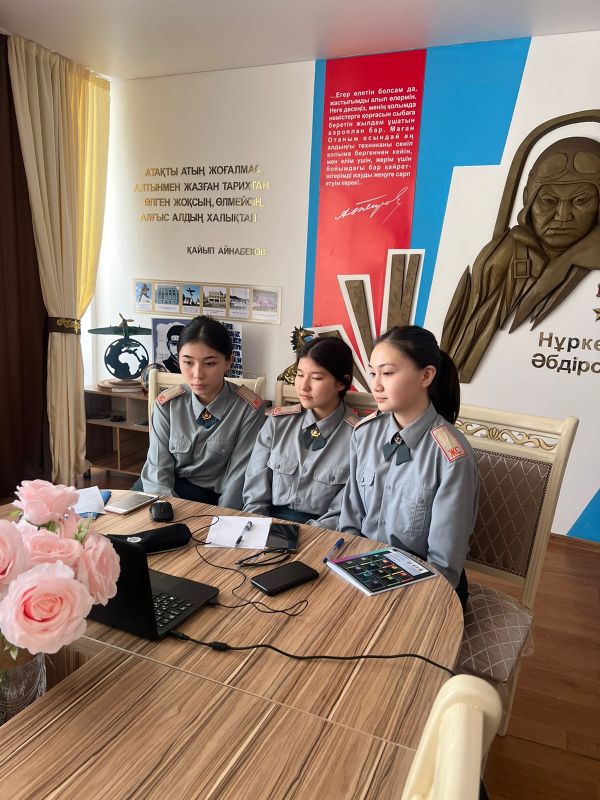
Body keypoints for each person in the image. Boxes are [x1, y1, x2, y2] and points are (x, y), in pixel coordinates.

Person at [338, 325, 480, 610]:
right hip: (365, 569)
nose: (376, 385)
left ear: (426, 376)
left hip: (426, 585)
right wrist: (348, 571)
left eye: (388, 373)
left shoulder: (452, 456)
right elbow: (350, 519)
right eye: (373, 373)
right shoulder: (364, 433)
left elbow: (444, 565)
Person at [441, 137, 600, 382]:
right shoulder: (500, 255)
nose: (562, 216)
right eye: (548, 201)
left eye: (581, 201)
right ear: (529, 198)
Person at [141, 315, 265, 509]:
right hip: (169, 491)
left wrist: (222, 518)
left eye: (210, 363)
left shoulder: (248, 408)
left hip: (216, 499)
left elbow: (239, 477)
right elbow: (158, 470)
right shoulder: (167, 404)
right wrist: (165, 510)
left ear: (228, 362)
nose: (197, 374)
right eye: (188, 362)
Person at [243, 337, 358, 528]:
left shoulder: (358, 436)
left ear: (342, 383)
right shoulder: (278, 422)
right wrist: (258, 528)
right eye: (300, 374)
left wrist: (309, 537)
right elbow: (255, 489)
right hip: (267, 523)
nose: (303, 386)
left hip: (322, 532)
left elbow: (343, 510)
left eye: (316, 378)